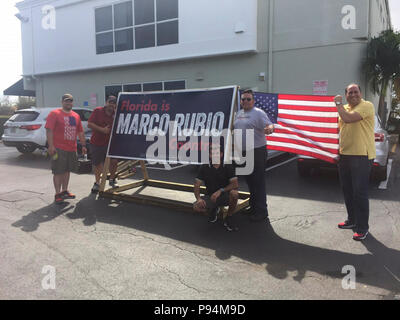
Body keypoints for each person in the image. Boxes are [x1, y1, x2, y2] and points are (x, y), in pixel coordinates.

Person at [334, 84, 376, 241]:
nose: (353, 94)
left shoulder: (367, 105)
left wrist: (338, 104)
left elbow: (348, 119)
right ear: (346, 95)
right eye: (350, 92)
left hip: (361, 156)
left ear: (361, 93)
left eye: (355, 91)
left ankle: (362, 227)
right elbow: (340, 130)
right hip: (345, 155)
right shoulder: (344, 107)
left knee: (359, 193)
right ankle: (352, 220)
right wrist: (337, 151)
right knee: (347, 190)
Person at [233, 89, 274, 222]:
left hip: (256, 151)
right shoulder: (239, 113)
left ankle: (262, 211)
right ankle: (253, 206)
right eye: (243, 99)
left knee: (258, 182)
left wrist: (270, 129)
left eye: (248, 99)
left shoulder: (258, 113)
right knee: (250, 181)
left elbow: (269, 125)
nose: (245, 101)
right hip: (243, 152)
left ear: (253, 101)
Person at [45, 93, 87, 204]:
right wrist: (51, 146)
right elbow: (49, 130)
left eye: (70, 101)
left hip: (71, 148)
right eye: (66, 101)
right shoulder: (55, 114)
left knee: (67, 170)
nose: (68, 103)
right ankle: (57, 193)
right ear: (62, 102)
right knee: (58, 171)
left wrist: (83, 145)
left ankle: (64, 191)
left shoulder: (75, 116)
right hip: (58, 148)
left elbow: (80, 131)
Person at [193, 143, 239, 231]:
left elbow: (235, 184)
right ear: (209, 155)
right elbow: (196, 184)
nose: (214, 155)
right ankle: (213, 209)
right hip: (211, 196)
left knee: (235, 194)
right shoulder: (205, 166)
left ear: (221, 154)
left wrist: (221, 191)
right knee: (196, 206)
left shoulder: (227, 166)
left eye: (217, 153)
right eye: (212, 153)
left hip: (225, 195)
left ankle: (228, 218)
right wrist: (198, 198)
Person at [88, 95, 119, 193]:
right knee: (98, 164)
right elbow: (90, 124)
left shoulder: (117, 113)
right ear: (106, 102)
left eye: (114, 103)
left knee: (114, 161)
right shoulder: (98, 111)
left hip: (111, 143)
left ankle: (112, 180)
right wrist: (102, 130)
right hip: (97, 143)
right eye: (110, 102)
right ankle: (97, 183)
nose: (111, 104)